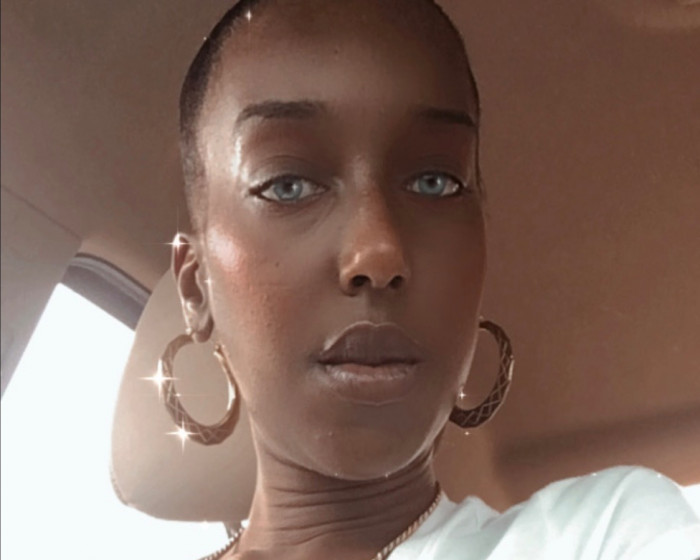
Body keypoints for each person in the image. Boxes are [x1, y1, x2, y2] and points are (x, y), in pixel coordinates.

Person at [165, 0, 700, 558]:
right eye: (287, 185)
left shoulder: (604, 534)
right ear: (196, 290)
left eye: (435, 181)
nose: (378, 253)